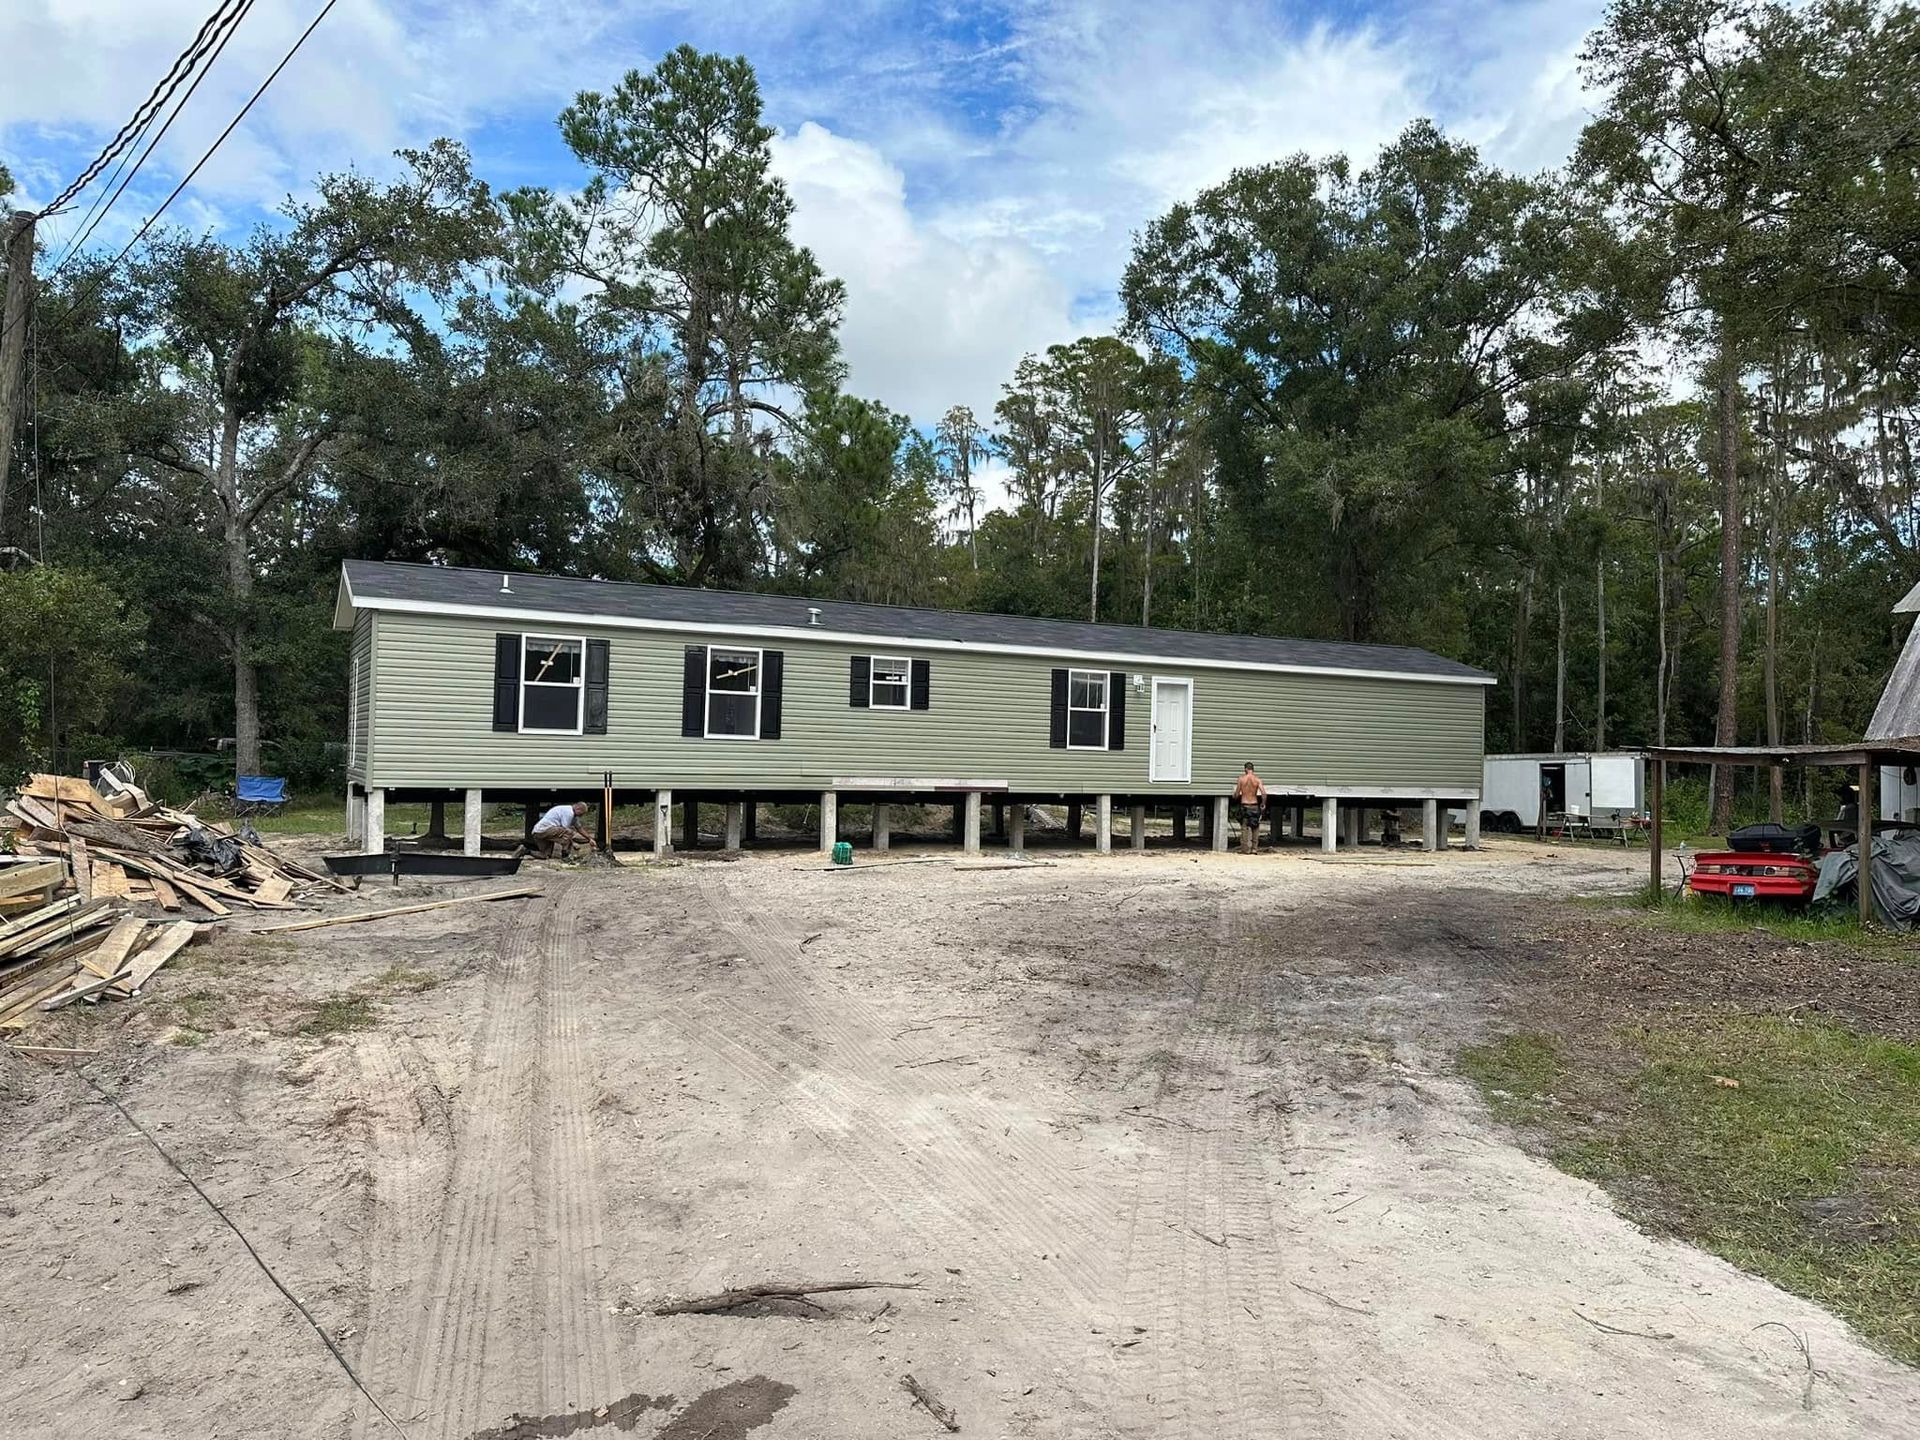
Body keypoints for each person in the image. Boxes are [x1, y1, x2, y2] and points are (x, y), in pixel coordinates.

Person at [525, 799, 594, 859]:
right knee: (570, 832)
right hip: (544, 830)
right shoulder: (569, 812)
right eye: (581, 814)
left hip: (537, 832)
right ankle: (565, 855)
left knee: (545, 855)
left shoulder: (573, 815)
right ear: (578, 809)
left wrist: (590, 839)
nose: (581, 816)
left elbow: (579, 828)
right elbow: (565, 830)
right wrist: (573, 843)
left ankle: (525, 851)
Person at [1233, 762, 1267, 854]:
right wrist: (1263, 804)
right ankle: (1254, 849)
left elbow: (1237, 793)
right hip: (1254, 805)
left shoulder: (1241, 779)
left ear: (1245, 769)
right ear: (1253, 769)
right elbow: (1263, 793)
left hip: (1245, 805)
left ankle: (1245, 849)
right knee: (1255, 827)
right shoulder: (1257, 780)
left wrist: (1234, 797)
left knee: (1245, 827)